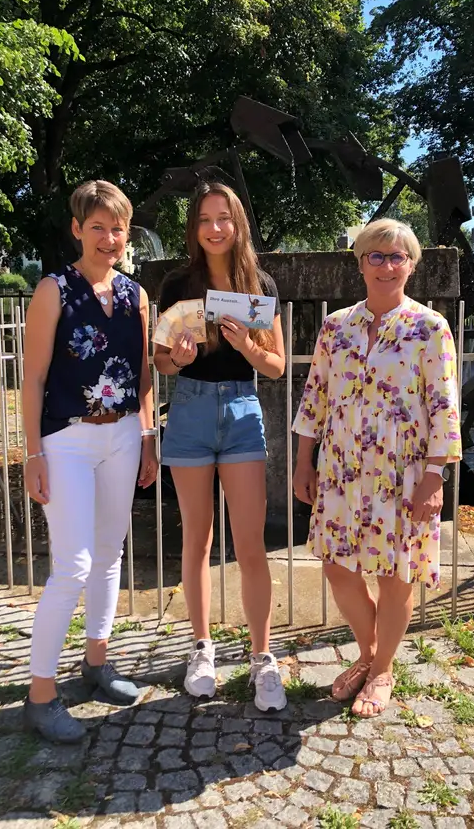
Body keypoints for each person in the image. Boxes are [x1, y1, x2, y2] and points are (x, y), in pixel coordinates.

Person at [292, 219, 461, 717]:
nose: (387, 265)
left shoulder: (430, 328)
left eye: (397, 257)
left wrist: (435, 476)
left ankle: (382, 668)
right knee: (336, 565)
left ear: (411, 265)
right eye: (376, 256)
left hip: (403, 471)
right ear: (360, 262)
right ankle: (371, 655)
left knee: (396, 574)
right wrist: (305, 461)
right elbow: (315, 398)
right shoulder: (335, 326)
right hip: (341, 467)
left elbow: (445, 406)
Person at [20, 179, 159, 743]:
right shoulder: (54, 289)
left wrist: (148, 435)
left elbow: (145, 371)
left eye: (118, 228)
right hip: (68, 440)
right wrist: (32, 452)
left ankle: (97, 662)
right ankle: (40, 694)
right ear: (77, 229)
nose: (109, 238)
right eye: (97, 227)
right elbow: (31, 378)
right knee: (72, 566)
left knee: (109, 553)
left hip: (124, 435)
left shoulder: (135, 295)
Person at [153, 182, 287, 710]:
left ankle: (262, 658)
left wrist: (246, 347)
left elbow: (277, 367)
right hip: (187, 408)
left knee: (250, 545)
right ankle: (201, 648)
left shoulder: (260, 283)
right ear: (195, 226)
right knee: (197, 542)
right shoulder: (176, 283)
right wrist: (180, 358)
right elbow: (160, 361)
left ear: (238, 225)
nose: (214, 228)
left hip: (240, 409)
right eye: (205, 218)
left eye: (224, 218)